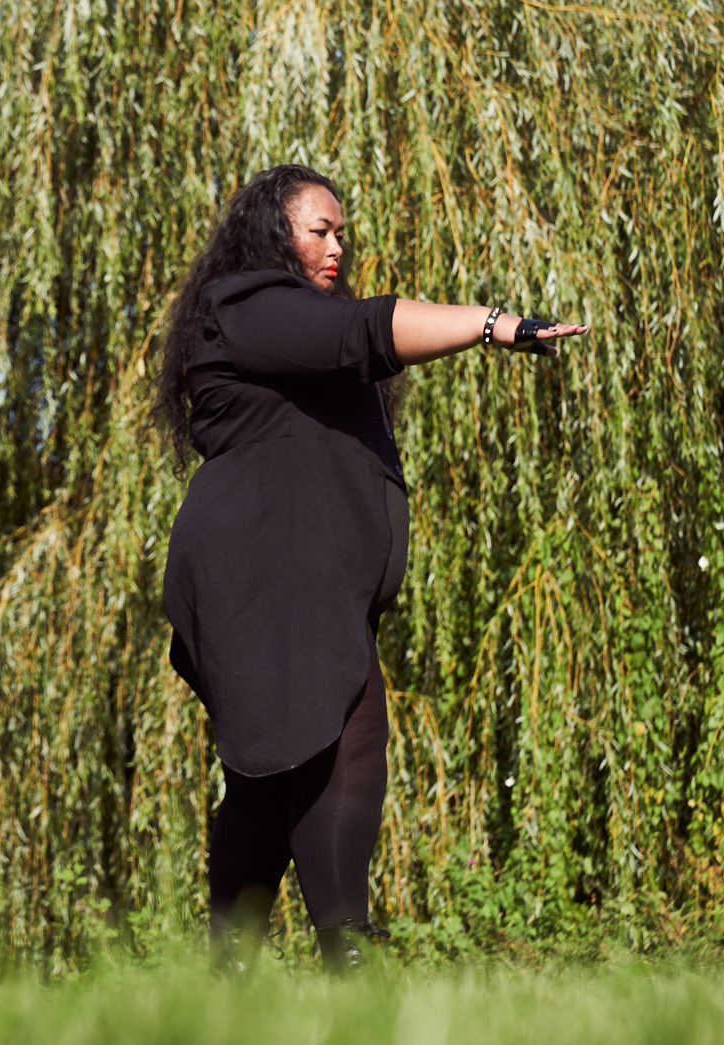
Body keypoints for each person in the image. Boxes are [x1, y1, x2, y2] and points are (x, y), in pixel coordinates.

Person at [154, 164, 584, 970]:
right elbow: (364, 330)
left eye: (342, 233)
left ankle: (231, 972)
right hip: (260, 582)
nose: (337, 247)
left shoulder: (287, 327)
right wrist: (495, 324)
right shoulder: (245, 306)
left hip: (297, 584)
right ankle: (344, 949)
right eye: (319, 230)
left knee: (274, 772)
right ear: (272, 233)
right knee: (343, 726)